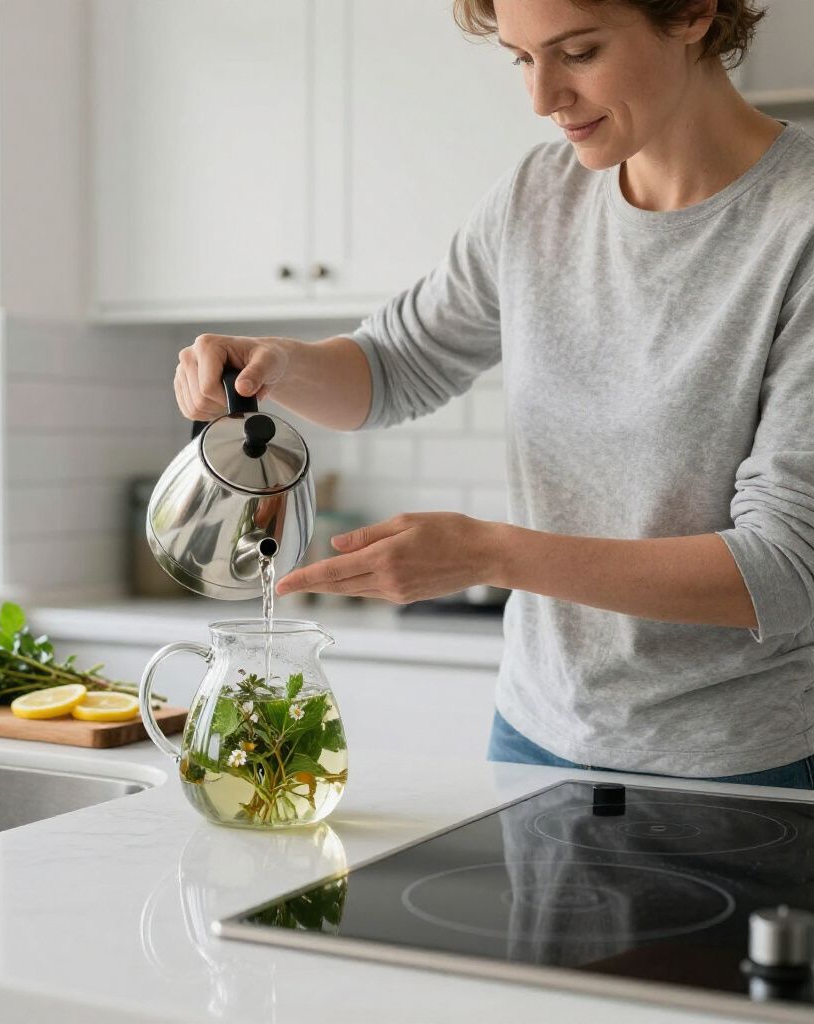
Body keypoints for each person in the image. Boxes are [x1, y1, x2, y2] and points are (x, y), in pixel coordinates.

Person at [172, 0, 814, 789]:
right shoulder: (538, 195)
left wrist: (487, 553)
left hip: (736, 763)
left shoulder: (799, 225)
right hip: (533, 735)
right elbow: (394, 367)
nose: (543, 98)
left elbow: (785, 569)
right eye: (521, 58)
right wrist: (278, 364)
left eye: (578, 52)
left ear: (690, 14)